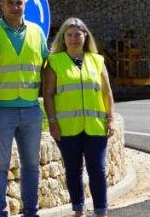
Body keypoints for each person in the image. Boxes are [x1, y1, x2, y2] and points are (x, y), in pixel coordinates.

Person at [0, 0, 49, 217]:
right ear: (1, 5)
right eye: (10, 3)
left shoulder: (36, 32)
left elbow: (46, 68)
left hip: (31, 109)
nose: (15, 7)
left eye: (19, 3)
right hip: (1, 109)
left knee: (32, 165)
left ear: (25, 6)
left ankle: (31, 211)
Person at [43, 17, 115, 217]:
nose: (74, 38)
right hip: (67, 128)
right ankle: (79, 210)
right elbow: (48, 93)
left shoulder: (97, 60)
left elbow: (106, 92)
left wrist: (110, 119)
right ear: (63, 38)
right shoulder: (55, 62)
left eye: (78, 34)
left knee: (98, 170)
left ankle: (101, 211)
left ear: (85, 36)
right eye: (69, 35)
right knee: (73, 170)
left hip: (95, 126)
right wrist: (52, 122)